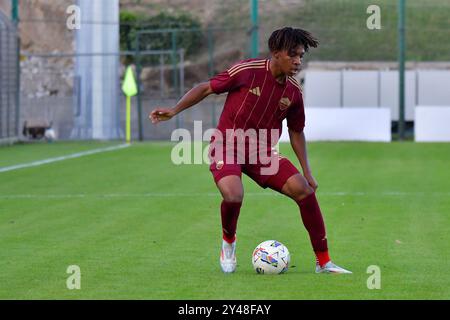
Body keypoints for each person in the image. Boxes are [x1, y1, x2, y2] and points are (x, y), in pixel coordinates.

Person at [150, 27, 351, 274]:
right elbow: (205, 88)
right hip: (227, 145)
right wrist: (174, 110)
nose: (298, 61)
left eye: (301, 56)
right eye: (293, 55)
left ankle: (324, 262)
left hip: (262, 153)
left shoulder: (293, 92)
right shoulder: (247, 71)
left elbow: (296, 131)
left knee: (305, 192)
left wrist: (307, 172)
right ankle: (228, 243)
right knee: (234, 195)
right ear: (276, 53)